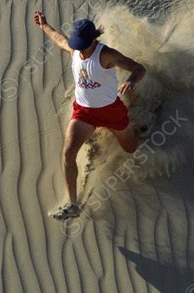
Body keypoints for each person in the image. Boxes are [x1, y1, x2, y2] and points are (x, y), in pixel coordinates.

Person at [33, 11, 146, 220]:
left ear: (94, 40)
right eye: (77, 44)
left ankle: (136, 127)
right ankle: (73, 204)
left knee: (131, 148)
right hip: (84, 113)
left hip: (111, 111)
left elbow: (139, 68)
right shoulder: (75, 50)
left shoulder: (107, 55)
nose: (79, 49)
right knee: (68, 153)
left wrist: (130, 81)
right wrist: (44, 25)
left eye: (83, 44)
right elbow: (59, 40)